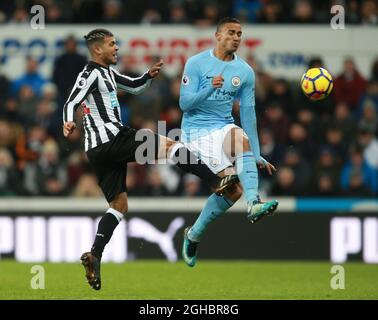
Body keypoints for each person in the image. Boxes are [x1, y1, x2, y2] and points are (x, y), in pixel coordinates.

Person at [62, 28, 237, 290]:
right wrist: (67, 121)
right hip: (111, 139)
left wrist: (148, 75)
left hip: (98, 152)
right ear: (98, 50)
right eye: (112, 44)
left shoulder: (108, 73)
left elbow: (133, 86)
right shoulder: (90, 73)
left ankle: (94, 254)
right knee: (169, 145)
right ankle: (215, 182)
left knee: (119, 205)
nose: (117, 48)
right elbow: (71, 100)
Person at [179, 17, 279, 267]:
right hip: (195, 133)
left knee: (240, 139)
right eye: (231, 32)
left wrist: (256, 153)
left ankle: (254, 203)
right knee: (232, 190)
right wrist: (209, 89)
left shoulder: (244, 71)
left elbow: (248, 114)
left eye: (240, 33)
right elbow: (184, 104)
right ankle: (193, 235)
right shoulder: (196, 63)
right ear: (218, 35)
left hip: (223, 127)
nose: (236, 37)